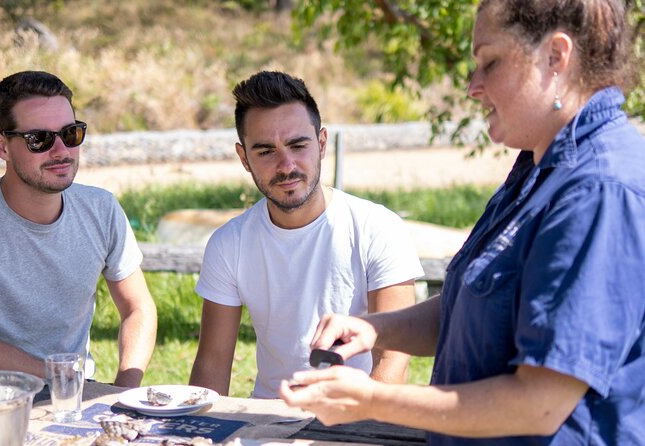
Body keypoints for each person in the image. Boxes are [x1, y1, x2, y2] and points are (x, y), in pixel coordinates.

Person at [280, 1, 645, 444]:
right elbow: (474, 307)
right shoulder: (541, 165)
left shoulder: (599, 189)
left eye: (489, 62)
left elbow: (541, 403)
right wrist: (376, 328)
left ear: (556, 57)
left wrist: (373, 401)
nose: (473, 87)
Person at [189, 71, 423, 398]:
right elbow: (212, 365)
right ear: (244, 158)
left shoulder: (377, 227)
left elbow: (392, 360)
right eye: (266, 151)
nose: (287, 165)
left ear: (322, 143)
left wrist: (362, 428)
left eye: (298, 145)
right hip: (267, 420)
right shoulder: (229, 244)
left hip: (359, 415)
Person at [0, 70, 157, 387]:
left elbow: (138, 307)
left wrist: (123, 391)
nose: (61, 151)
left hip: (75, 395)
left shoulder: (101, 209)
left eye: (71, 133)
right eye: (39, 139)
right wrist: (58, 376)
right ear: (2, 147)